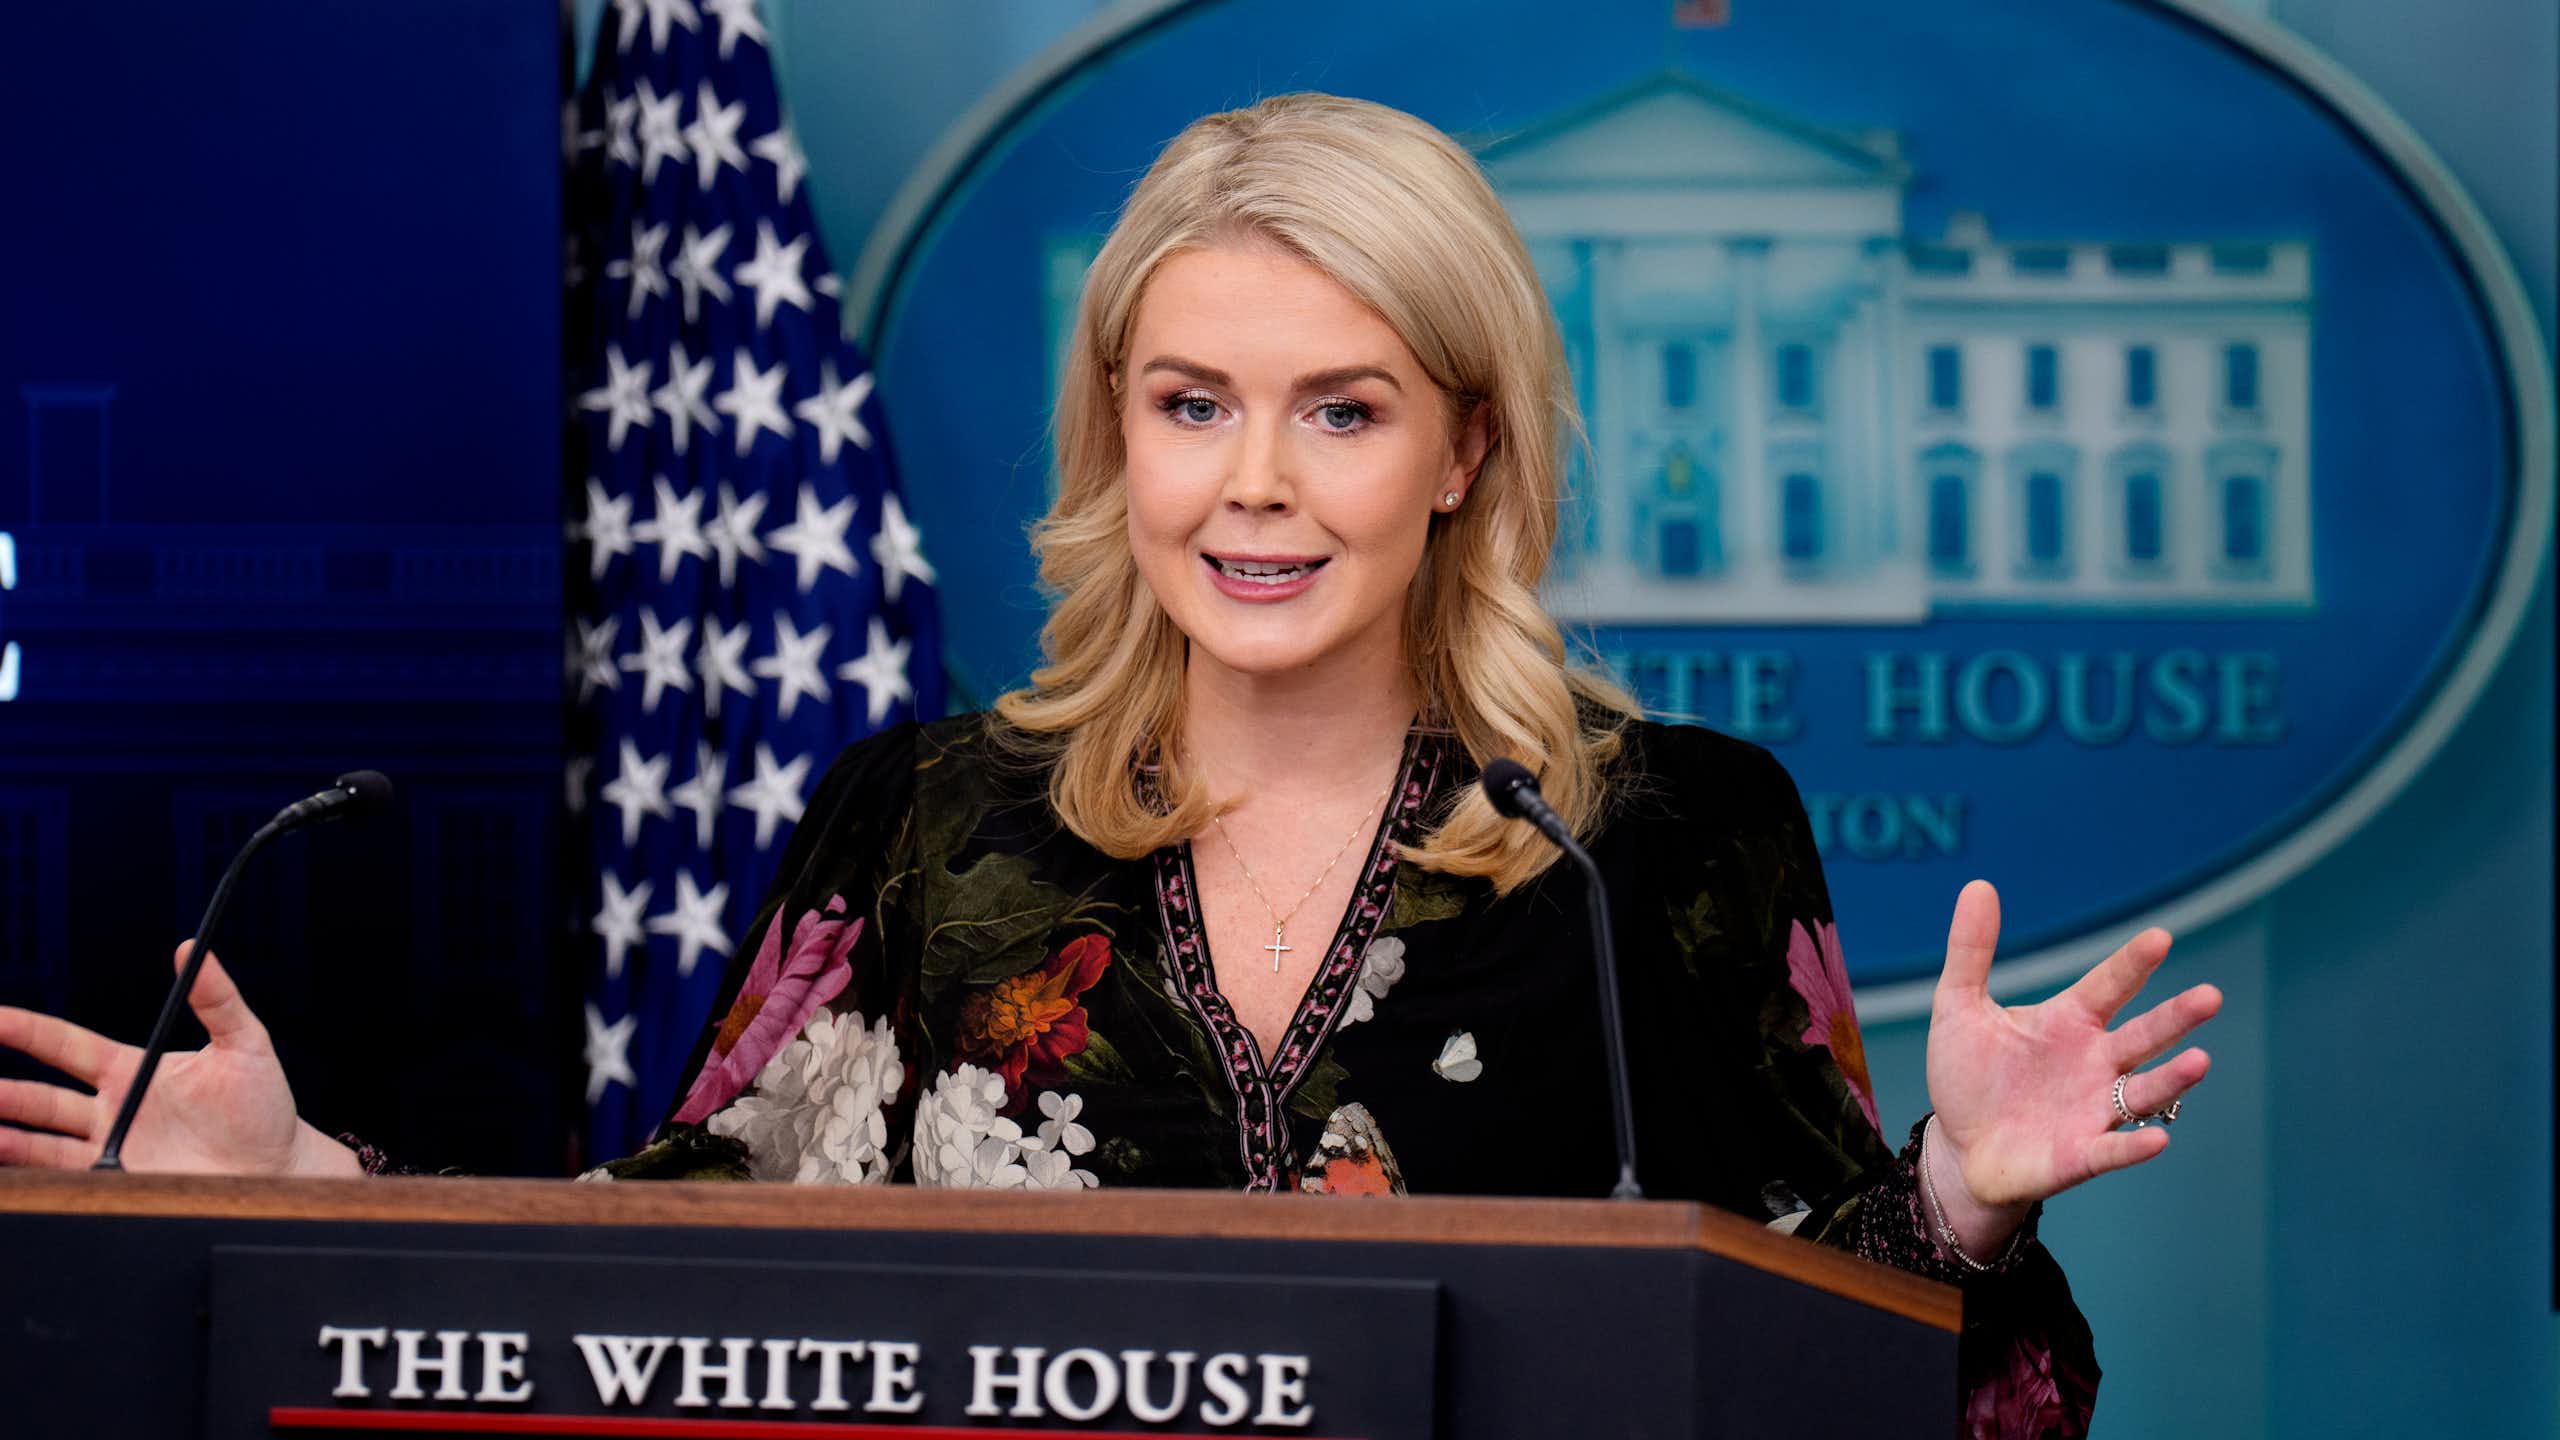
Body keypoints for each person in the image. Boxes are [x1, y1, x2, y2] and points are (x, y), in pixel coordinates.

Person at [0, 94, 2218, 1436]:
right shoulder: (923, 822)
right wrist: (309, 1196)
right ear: (1115, 432)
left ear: (1461, 444)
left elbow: (1844, 1368)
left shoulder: (1673, 831)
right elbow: (681, 1278)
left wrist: (1949, 1199)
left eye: (1338, 408)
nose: (1252, 486)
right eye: (1190, 403)